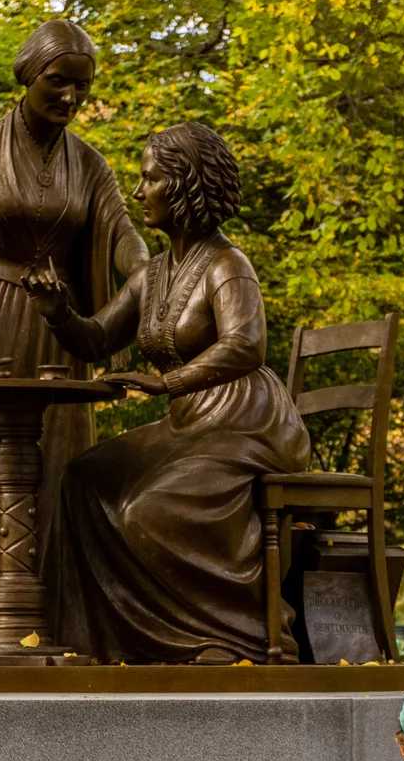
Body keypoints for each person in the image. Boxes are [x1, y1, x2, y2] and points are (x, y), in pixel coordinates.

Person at [0, 19, 148, 646]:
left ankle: (41, 629)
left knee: (54, 475)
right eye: (58, 81)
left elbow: (122, 235)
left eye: (82, 88)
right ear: (27, 76)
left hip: (57, 331)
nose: (69, 97)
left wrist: (150, 273)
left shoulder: (91, 166)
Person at [33, 122, 311, 662]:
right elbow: (96, 339)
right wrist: (58, 311)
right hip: (187, 422)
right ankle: (115, 639)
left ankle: (233, 635)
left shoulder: (229, 266)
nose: (140, 193)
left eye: (151, 179)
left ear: (186, 187)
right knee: (83, 479)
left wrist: (165, 382)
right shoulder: (152, 273)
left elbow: (246, 345)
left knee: (148, 511)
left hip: (244, 421)